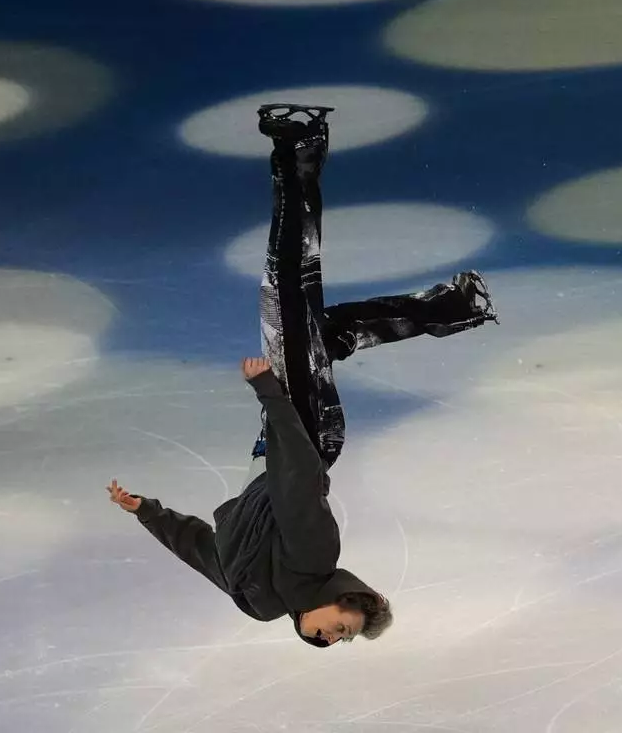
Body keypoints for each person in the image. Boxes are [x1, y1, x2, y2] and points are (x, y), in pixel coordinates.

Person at [108, 104, 498, 647]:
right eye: (343, 626)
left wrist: (147, 512)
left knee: (318, 330)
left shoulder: (260, 604)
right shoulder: (316, 556)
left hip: (284, 428)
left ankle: (450, 308)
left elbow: (204, 551)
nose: (333, 637)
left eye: (337, 637)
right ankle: (298, 148)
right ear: (341, 596)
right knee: (286, 288)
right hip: (302, 429)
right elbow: (297, 479)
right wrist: (270, 393)